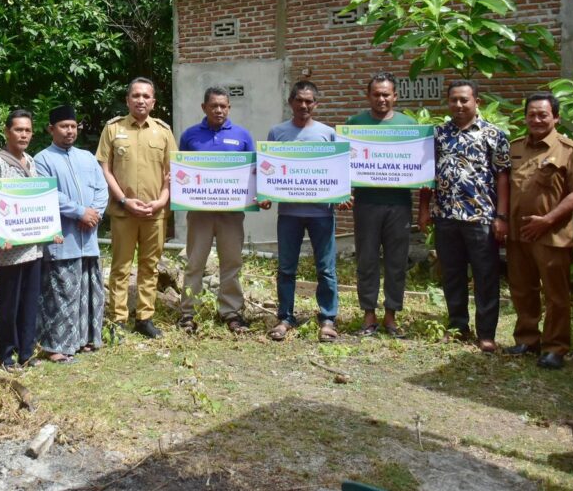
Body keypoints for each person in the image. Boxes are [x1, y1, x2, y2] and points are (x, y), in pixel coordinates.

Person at [418, 80, 510, 353]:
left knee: (485, 276)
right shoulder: (438, 134)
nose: (458, 105)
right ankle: (458, 326)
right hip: (446, 216)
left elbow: (504, 176)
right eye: (453, 100)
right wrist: (424, 209)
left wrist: (502, 216)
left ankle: (486, 333)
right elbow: (426, 175)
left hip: (481, 217)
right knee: (452, 274)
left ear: (476, 102)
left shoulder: (494, 135)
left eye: (464, 100)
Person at [505, 93, 573, 369]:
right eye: (531, 114)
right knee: (522, 289)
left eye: (543, 114)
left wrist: (547, 220)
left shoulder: (570, 150)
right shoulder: (515, 148)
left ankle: (555, 347)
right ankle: (527, 339)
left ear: (555, 117)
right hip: (518, 234)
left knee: (556, 295)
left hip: (551, 234)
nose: (536, 119)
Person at [96, 78, 177, 340]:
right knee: (120, 266)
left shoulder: (163, 131)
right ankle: (118, 319)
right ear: (127, 99)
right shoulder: (113, 129)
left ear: (153, 102)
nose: (140, 100)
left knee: (149, 267)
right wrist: (122, 200)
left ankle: (144, 318)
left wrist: (163, 200)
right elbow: (104, 169)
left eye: (146, 96)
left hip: (155, 213)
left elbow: (172, 173)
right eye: (136, 96)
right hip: (123, 212)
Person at [177, 87, 258, 335]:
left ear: (229, 108)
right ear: (204, 107)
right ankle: (188, 313)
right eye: (214, 106)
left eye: (223, 106)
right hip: (199, 213)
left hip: (231, 215)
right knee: (195, 262)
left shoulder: (242, 136)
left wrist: (257, 195)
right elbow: (181, 171)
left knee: (231, 262)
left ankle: (231, 312)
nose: (219, 110)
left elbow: (254, 172)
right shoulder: (190, 136)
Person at [266, 81, 341, 343]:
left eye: (309, 101)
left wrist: (342, 194)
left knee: (326, 268)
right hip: (289, 214)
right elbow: (269, 170)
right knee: (287, 268)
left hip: (322, 214)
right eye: (299, 100)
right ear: (291, 102)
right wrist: (265, 194)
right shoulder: (277, 133)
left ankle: (328, 318)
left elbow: (338, 170)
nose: (304, 105)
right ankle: (285, 317)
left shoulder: (328, 134)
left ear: (316, 104)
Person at [34, 105, 110, 362]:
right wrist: (80, 212)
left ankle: (85, 339)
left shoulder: (87, 157)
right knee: (61, 294)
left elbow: (102, 188)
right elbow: (49, 194)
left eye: (73, 126)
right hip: (63, 239)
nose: (69, 131)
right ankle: (56, 347)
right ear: (51, 129)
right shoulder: (42, 160)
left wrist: (95, 213)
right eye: (64, 126)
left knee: (89, 291)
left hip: (88, 238)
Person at [345, 73, 417, 338]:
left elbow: (419, 163)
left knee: (397, 262)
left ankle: (391, 316)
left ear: (395, 96)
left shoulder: (408, 125)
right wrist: (344, 192)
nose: (381, 98)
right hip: (366, 203)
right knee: (367, 260)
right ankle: (368, 315)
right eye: (376, 94)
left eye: (386, 94)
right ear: (368, 96)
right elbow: (344, 163)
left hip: (399, 204)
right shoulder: (355, 124)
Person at [0, 109, 46, 371]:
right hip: (8, 249)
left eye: (28, 130)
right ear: (7, 132)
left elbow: (38, 201)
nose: (24, 135)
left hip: (32, 245)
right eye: (18, 130)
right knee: (9, 302)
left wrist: (49, 229)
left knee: (30, 301)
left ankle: (27, 352)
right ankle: (6, 354)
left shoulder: (31, 161)